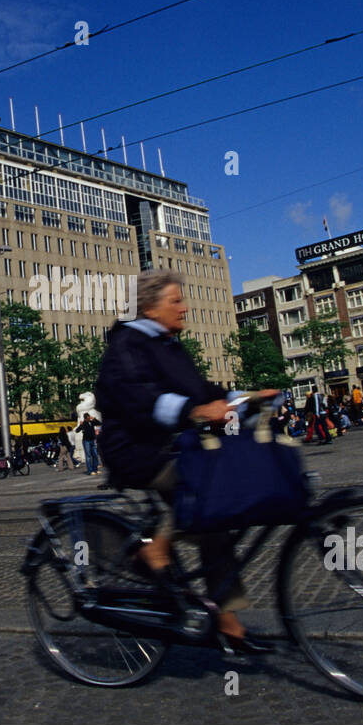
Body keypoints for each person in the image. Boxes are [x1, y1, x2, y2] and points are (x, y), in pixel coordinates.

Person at [95, 269, 277, 654]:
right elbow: (140, 400)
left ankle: (228, 622)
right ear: (149, 307)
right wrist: (195, 411)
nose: (185, 308)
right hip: (134, 450)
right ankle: (157, 548)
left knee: (217, 523)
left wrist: (247, 398)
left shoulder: (167, 345)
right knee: (207, 488)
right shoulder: (127, 344)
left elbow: (204, 391)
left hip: (168, 445)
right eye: (175, 301)